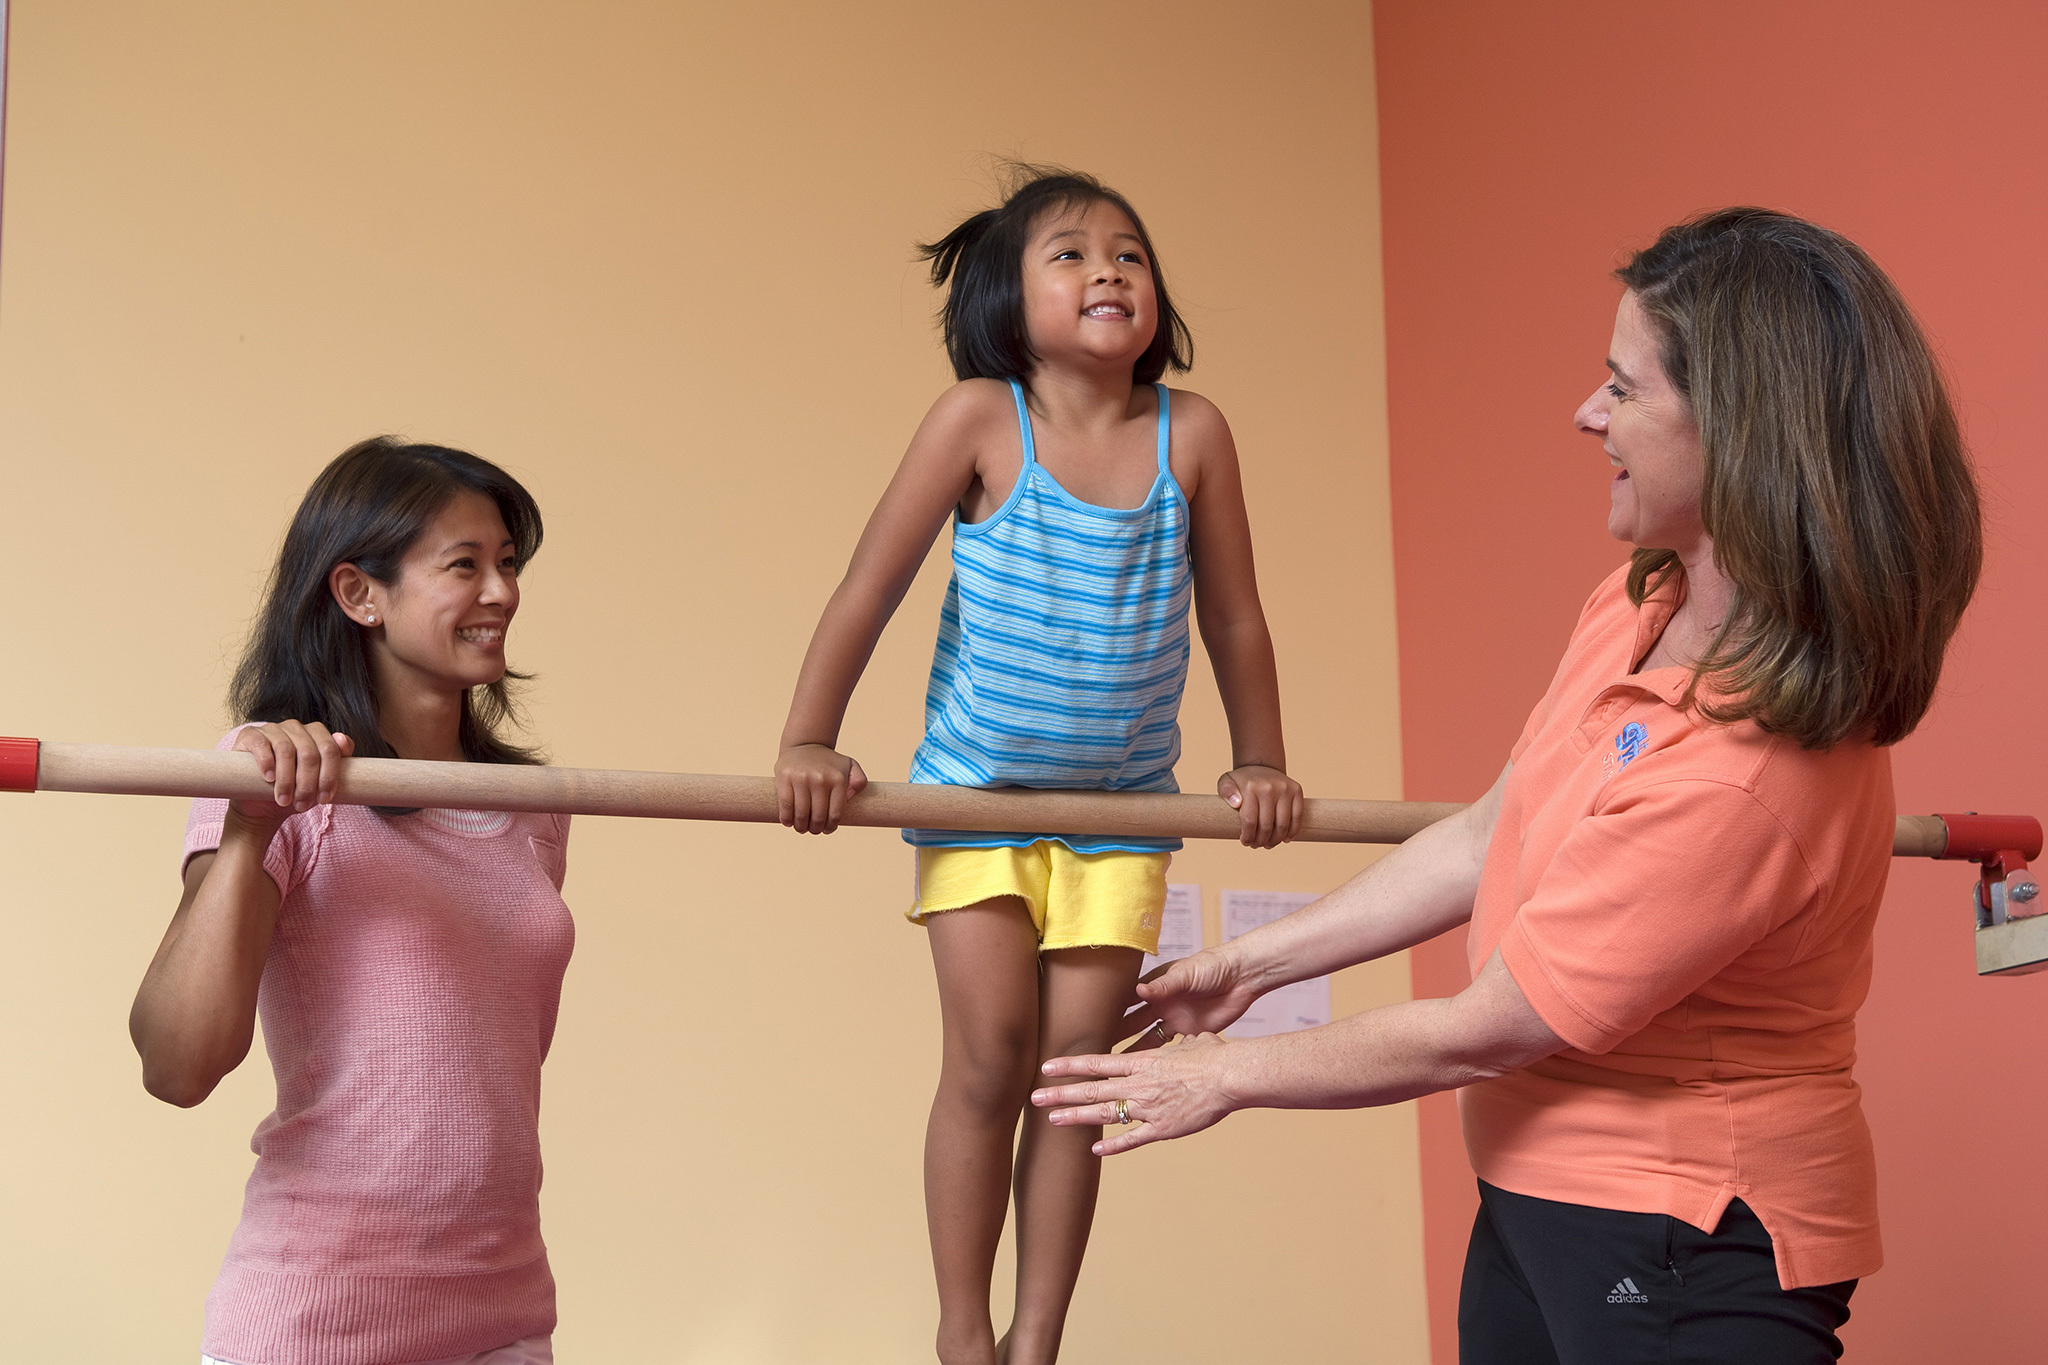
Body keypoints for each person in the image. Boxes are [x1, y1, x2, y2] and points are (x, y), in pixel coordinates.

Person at [1031, 208, 1983, 1363]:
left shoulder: (1746, 774)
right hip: (1541, 1196)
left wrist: (1223, 1078)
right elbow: (1492, 828)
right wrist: (1248, 966)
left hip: (1683, 1234)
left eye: (1623, 390)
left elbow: (1489, 1029)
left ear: (1739, 435)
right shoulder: (1639, 602)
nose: (1587, 414)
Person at [774, 166, 1305, 1365]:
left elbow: (1234, 620)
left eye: (1128, 252)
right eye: (1068, 254)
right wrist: (809, 736)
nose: (1107, 269)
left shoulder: (1194, 433)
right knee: (989, 1058)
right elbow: (872, 583)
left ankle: (1035, 1342)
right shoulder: (977, 419)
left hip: (1121, 809)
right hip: (970, 798)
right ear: (1008, 306)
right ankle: (963, 1333)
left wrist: (1259, 761)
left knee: (1072, 1078)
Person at [129, 438, 570, 1365]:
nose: (501, 592)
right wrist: (252, 827)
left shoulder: (534, 807)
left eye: (507, 563)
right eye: (464, 565)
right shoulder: (269, 772)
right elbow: (179, 1063)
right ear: (358, 594)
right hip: (317, 1318)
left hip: (504, 1315)